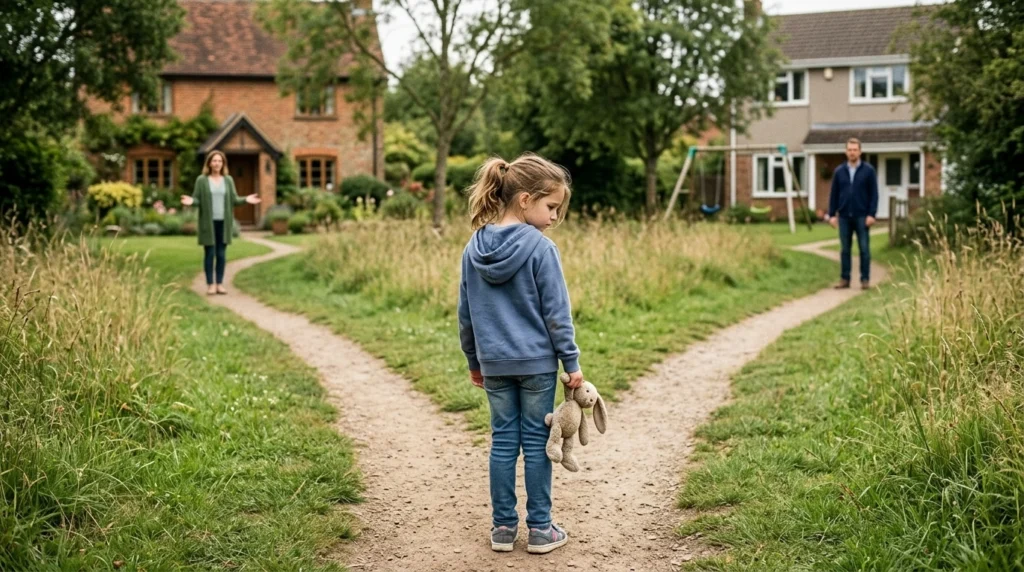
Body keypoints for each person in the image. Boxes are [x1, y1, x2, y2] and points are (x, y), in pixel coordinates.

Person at [458, 153, 582, 555]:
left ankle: (503, 529)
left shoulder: (473, 249)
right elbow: (557, 316)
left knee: (502, 443)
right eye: (551, 207)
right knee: (537, 443)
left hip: (494, 365)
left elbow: (466, 315)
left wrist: (474, 361)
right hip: (537, 367)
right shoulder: (542, 250)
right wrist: (572, 363)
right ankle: (542, 530)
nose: (554, 217)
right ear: (525, 199)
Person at [180, 151, 261, 295]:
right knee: (210, 254)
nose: (217, 163)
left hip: (224, 223)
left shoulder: (228, 180)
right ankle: (210, 284)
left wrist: (246, 199)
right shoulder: (202, 180)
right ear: (209, 163)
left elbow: (234, 199)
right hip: (208, 223)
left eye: (220, 161)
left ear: (223, 164)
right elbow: (197, 199)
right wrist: (191, 201)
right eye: (214, 161)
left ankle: (220, 283)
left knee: (221, 254)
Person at [827, 137, 878, 289]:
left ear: (860, 152)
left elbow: (874, 194)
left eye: (855, 150)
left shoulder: (868, 171)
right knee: (845, 250)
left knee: (864, 249)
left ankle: (865, 279)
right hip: (844, 216)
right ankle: (845, 279)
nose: (852, 153)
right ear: (845, 152)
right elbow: (834, 194)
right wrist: (831, 215)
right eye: (849, 150)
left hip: (862, 216)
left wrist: (872, 214)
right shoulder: (839, 172)